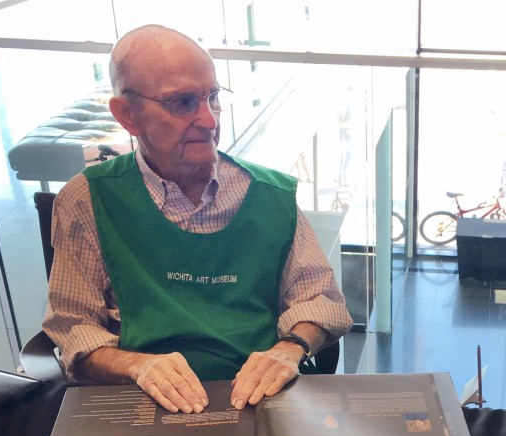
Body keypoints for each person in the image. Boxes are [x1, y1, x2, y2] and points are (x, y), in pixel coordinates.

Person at [43, 24, 352, 415]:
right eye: (183, 102)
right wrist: (137, 365)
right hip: (140, 401)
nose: (209, 121)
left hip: (257, 399)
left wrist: (289, 350)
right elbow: (73, 329)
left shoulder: (270, 196)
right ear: (127, 116)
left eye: (213, 98)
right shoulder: (87, 199)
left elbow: (321, 301)